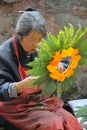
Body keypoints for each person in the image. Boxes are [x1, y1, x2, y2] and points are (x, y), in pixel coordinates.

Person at [0, 7, 83, 130]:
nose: (37, 45)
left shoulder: (45, 44)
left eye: (40, 39)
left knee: (70, 121)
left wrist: (61, 66)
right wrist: (20, 86)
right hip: (16, 108)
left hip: (42, 102)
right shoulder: (3, 53)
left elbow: (64, 60)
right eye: (32, 40)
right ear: (19, 35)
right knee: (52, 123)